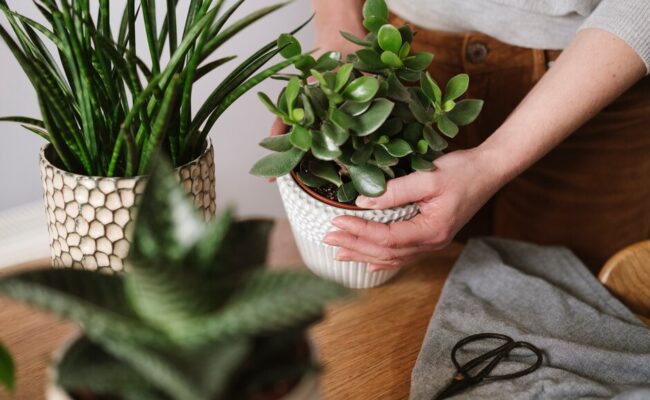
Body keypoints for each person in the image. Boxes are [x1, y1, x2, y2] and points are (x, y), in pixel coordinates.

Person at [271, 0, 650, 273]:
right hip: (402, 49)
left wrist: (492, 162)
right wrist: (339, 37)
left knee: (566, 300)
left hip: (596, 73)